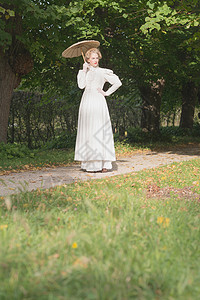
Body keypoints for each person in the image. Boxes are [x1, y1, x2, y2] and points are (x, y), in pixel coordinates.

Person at [74, 48, 122, 173]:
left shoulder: (102, 72)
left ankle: (104, 163)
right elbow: (81, 85)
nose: (95, 60)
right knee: (88, 129)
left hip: (98, 101)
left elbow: (117, 83)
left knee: (99, 128)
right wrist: (83, 71)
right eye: (92, 58)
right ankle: (89, 163)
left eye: (96, 58)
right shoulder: (84, 71)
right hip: (86, 102)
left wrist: (106, 93)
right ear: (88, 60)